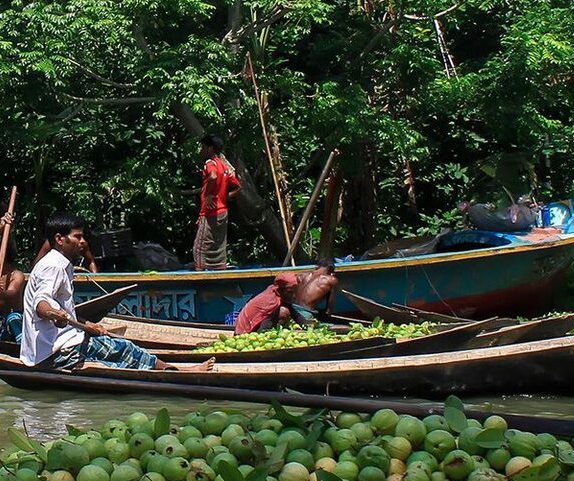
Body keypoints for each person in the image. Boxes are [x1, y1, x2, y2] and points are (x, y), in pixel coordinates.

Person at [22, 213, 208, 372]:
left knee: (112, 352)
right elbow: (41, 303)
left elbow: (61, 309)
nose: (83, 242)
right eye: (77, 237)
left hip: (55, 347)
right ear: (60, 239)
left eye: (83, 237)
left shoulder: (60, 264)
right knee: (124, 348)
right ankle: (180, 371)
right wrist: (52, 313)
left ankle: (163, 369)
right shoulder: (53, 267)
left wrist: (86, 324)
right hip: (57, 352)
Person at [232, 263, 341, 335]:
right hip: (245, 332)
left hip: (255, 326)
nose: (293, 295)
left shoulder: (277, 292)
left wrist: (309, 327)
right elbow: (264, 329)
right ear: (283, 290)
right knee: (283, 312)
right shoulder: (271, 302)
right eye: (291, 292)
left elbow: (295, 314)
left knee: (287, 309)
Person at [193, 134, 240, 271]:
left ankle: (199, 273)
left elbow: (212, 176)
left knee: (199, 247)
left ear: (210, 148)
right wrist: (225, 197)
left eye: (203, 147)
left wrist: (208, 194)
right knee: (218, 246)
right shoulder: (224, 166)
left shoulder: (210, 163)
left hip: (210, 212)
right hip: (222, 211)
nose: (201, 151)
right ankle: (219, 269)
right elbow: (238, 187)